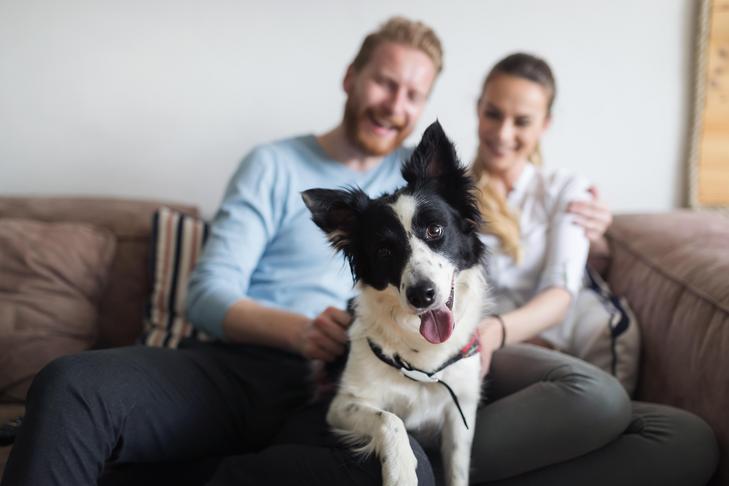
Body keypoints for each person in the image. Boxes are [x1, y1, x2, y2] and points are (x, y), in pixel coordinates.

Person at [0, 17, 709, 486]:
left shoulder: (418, 182)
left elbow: (491, 204)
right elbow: (206, 292)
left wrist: (596, 229)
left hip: (359, 389)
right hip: (238, 366)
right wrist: (298, 329)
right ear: (350, 76)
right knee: (72, 384)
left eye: (413, 93)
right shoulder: (275, 164)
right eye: (383, 81)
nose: (393, 103)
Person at [466, 53, 718, 485]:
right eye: (494, 114)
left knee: (689, 439)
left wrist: (499, 328)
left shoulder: (566, 190)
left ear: (545, 124)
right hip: (491, 360)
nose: (503, 133)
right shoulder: (448, 195)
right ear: (478, 109)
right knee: (596, 399)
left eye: (522, 121)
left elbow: (560, 295)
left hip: (534, 353)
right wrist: (490, 335)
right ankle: (444, 463)